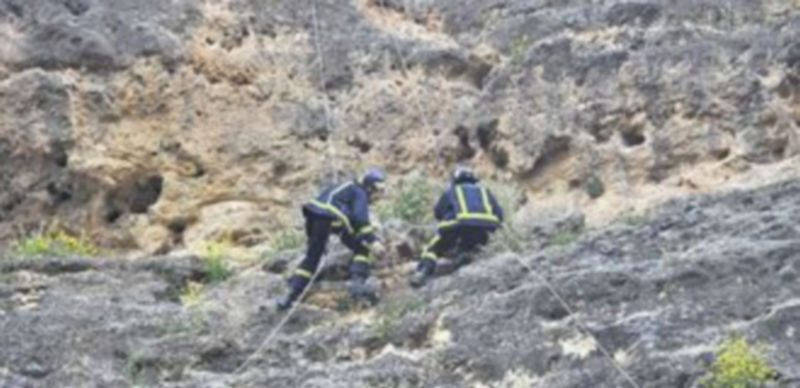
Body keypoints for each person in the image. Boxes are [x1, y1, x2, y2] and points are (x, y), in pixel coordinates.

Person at [277, 167, 388, 310]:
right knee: (362, 247)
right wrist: (374, 242)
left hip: (314, 216)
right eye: (377, 191)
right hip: (331, 217)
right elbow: (360, 220)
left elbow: (348, 220)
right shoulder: (359, 192)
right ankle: (357, 283)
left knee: (313, 257)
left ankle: (290, 296)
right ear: (370, 187)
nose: (377, 196)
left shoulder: (344, 188)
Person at [410, 166, 503, 287]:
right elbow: (499, 214)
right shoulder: (485, 191)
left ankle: (422, 271)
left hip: (460, 224)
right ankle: (464, 255)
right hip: (485, 228)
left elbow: (438, 211)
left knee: (434, 247)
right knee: (471, 244)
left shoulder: (453, 191)